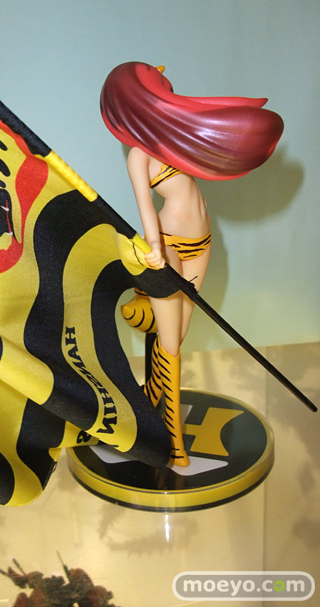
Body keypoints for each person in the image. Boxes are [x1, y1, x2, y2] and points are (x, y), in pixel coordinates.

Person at [100, 62, 283, 466]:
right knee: (171, 346)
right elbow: (146, 207)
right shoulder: (139, 157)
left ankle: (144, 400)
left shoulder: (171, 136)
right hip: (168, 247)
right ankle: (173, 438)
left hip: (202, 244)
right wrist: (153, 247)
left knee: (176, 337)